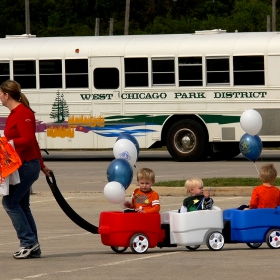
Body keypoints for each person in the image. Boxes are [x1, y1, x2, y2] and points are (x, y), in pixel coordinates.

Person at [0, 79, 52, 259]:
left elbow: (28, 140)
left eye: (0, 94)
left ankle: (28, 242)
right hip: (23, 165)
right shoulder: (15, 113)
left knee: (9, 203)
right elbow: (35, 142)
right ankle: (33, 245)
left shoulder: (23, 113)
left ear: (6, 95)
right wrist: (43, 166)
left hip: (27, 165)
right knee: (22, 204)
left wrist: (7, 143)